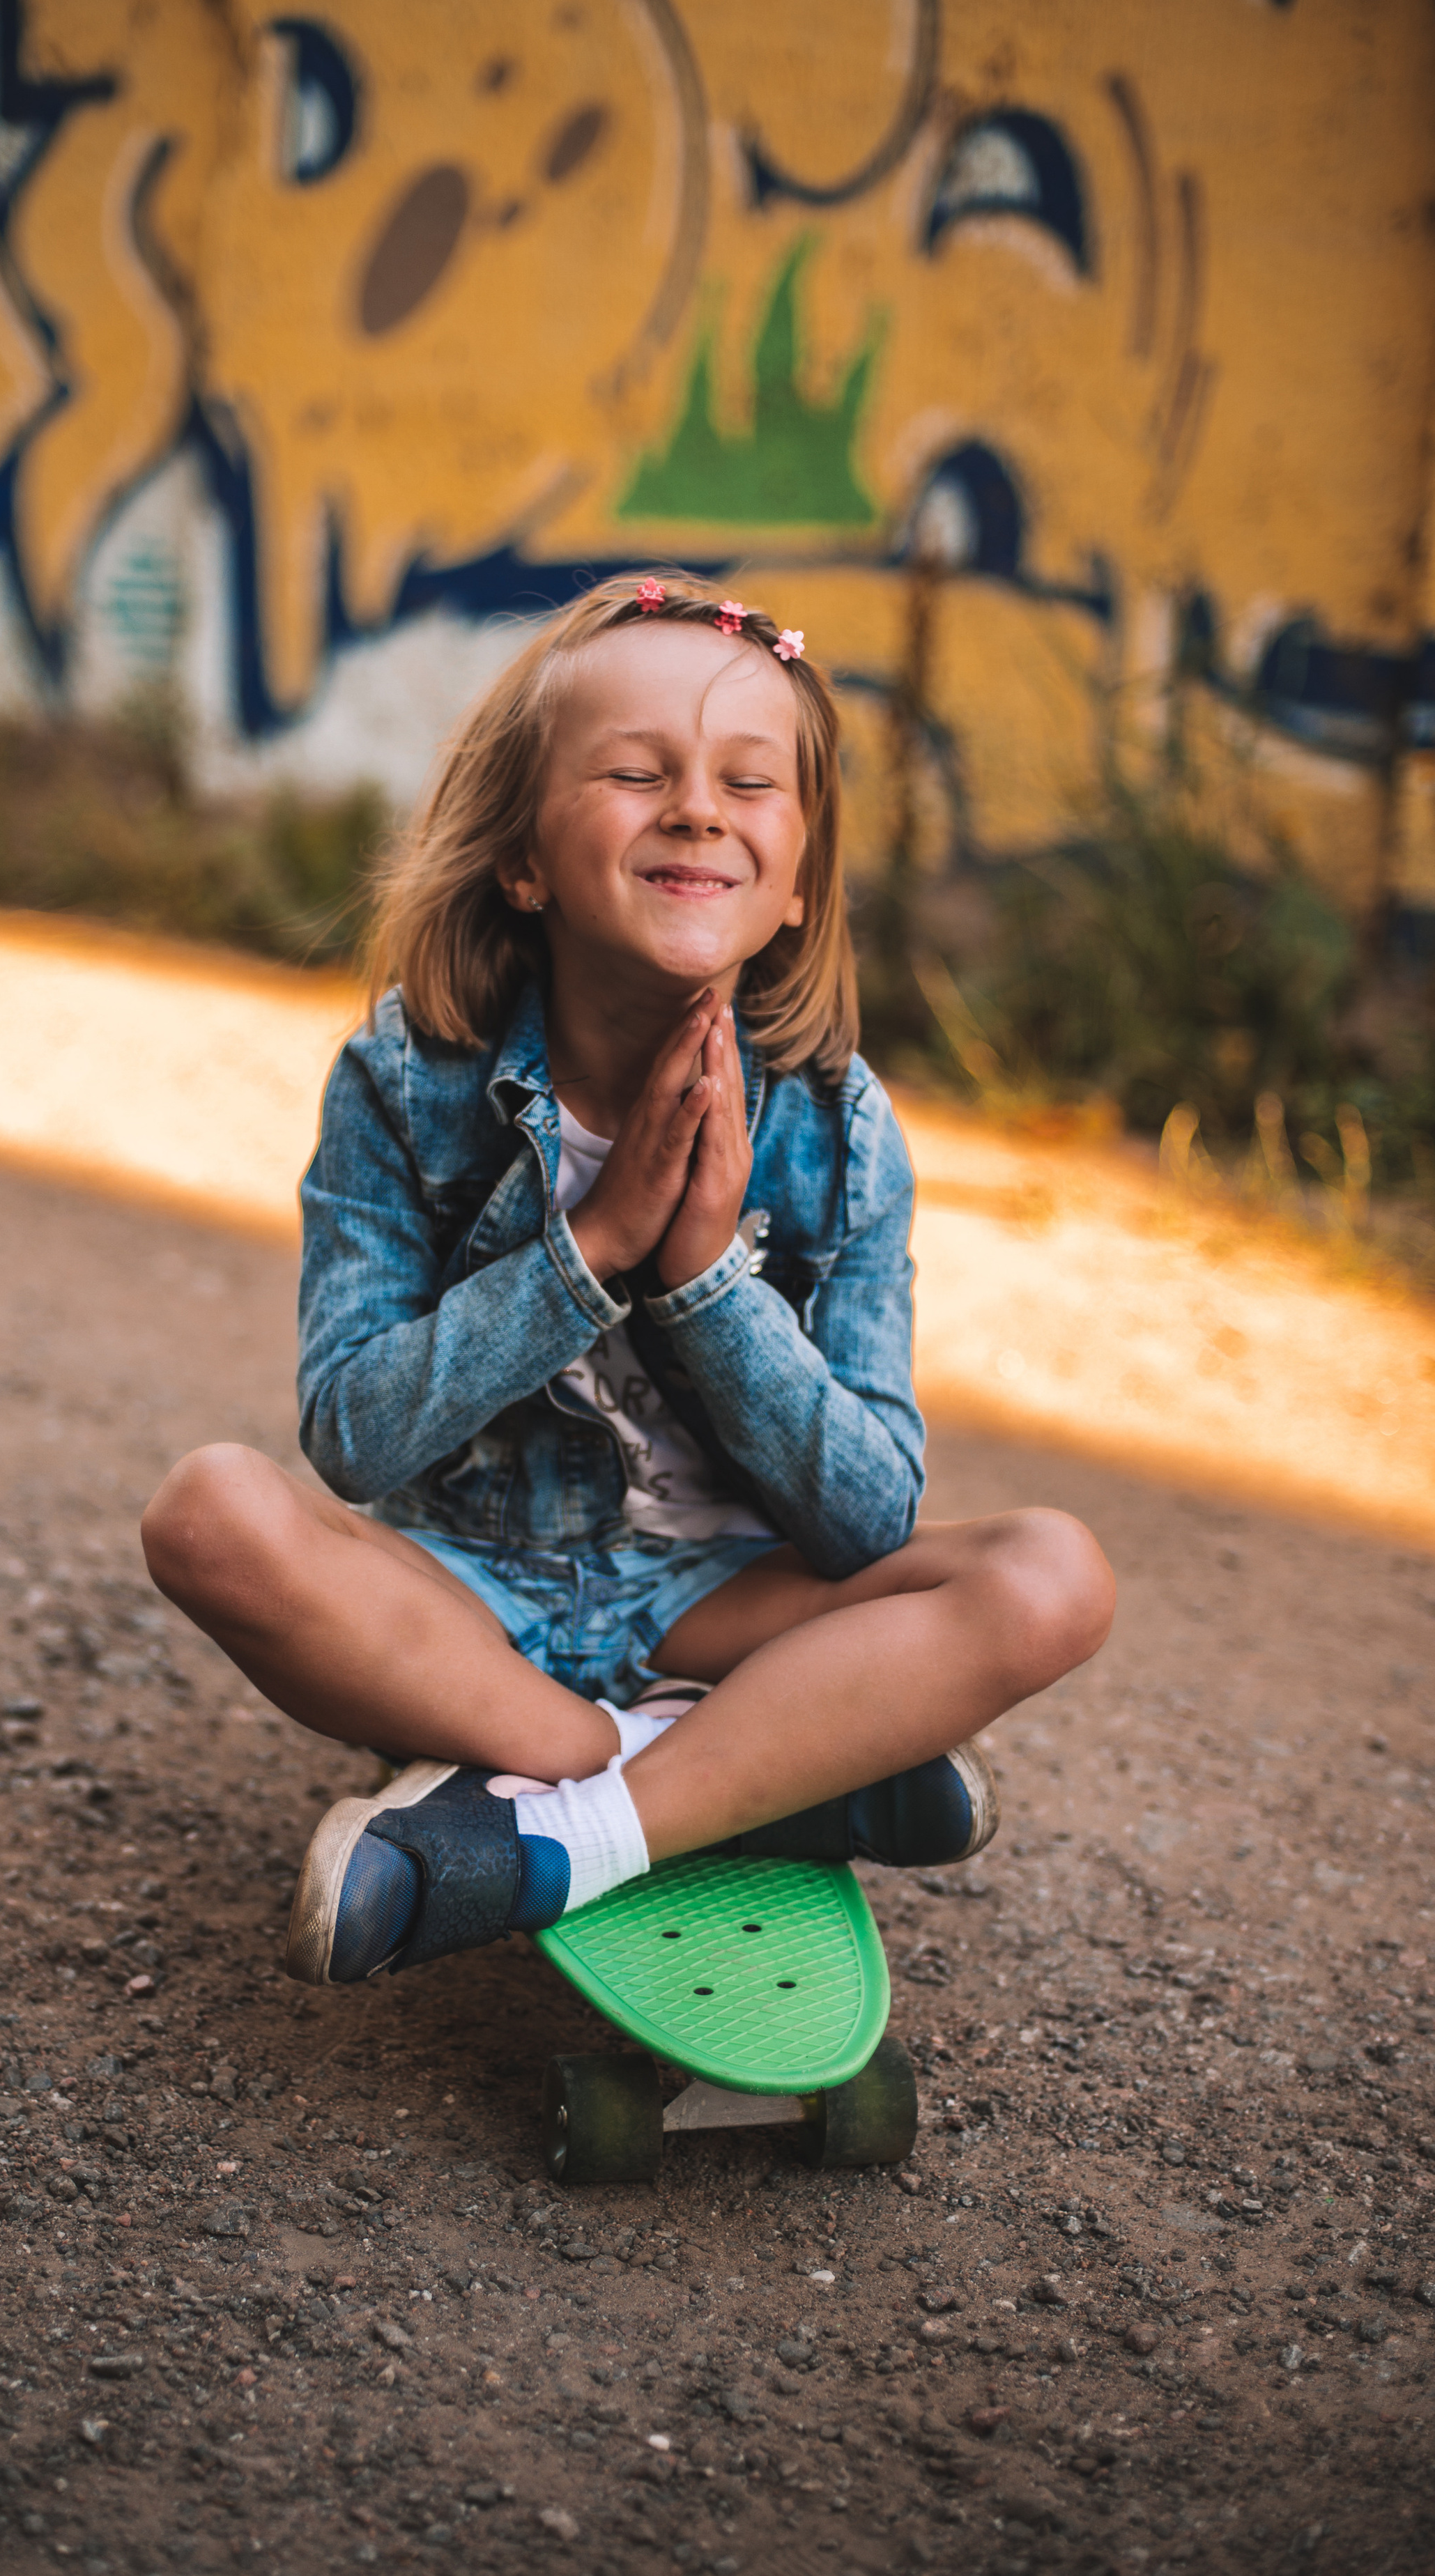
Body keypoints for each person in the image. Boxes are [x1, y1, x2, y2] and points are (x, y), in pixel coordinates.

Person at [141, 576, 1115, 1984]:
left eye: (745, 783)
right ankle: (732, 1765)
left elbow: (863, 1516)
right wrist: (586, 1253)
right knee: (209, 1513)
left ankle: (557, 1831)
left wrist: (706, 1275)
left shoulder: (838, 1128)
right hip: (468, 1601)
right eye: (634, 772)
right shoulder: (403, 1084)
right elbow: (352, 1439)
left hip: (717, 1599)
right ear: (522, 858)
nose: (694, 809)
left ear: (790, 888)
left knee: (1049, 1576)